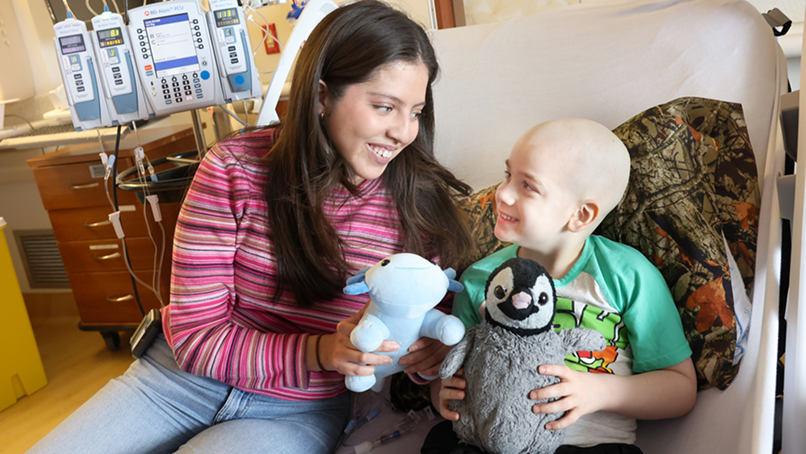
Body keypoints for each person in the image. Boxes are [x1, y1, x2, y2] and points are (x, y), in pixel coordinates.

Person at [28, 2, 473, 453]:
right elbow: (196, 337)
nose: (403, 132)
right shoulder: (232, 170)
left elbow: (429, 332)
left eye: (415, 111)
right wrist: (318, 351)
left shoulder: (419, 207)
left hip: (299, 409)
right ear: (322, 96)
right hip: (178, 383)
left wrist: (427, 361)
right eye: (384, 107)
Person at [423, 119, 697, 454]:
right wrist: (442, 393)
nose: (502, 192)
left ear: (581, 215)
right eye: (508, 175)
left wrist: (600, 391)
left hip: (588, 445)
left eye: (528, 186)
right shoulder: (483, 279)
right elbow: (453, 370)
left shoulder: (627, 276)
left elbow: (681, 389)